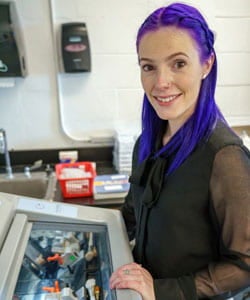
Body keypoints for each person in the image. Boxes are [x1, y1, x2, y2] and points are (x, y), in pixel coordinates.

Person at [109, 2, 250, 300]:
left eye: (179, 64)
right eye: (149, 67)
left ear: (206, 64)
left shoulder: (224, 156)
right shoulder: (146, 142)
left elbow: (245, 265)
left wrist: (161, 290)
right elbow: (133, 213)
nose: (161, 83)